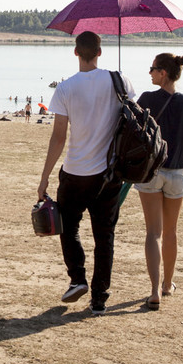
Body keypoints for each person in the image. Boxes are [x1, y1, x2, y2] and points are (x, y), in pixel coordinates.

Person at [36, 31, 134, 316]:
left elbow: (58, 138)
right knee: (105, 236)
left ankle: (77, 278)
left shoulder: (66, 89)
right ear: (100, 52)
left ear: (75, 52)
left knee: (68, 227)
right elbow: (131, 119)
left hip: (76, 172)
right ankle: (100, 299)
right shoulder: (120, 81)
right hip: (109, 174)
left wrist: (44, 178)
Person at [134, 53, 183, 311]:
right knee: (171, 232)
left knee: (153, 232)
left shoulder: (146, 99)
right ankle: (168, 284)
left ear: (163, 72)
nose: (150, 73)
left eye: (153, 69)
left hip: (151, 172)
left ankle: (154, 291)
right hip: (177, 172)